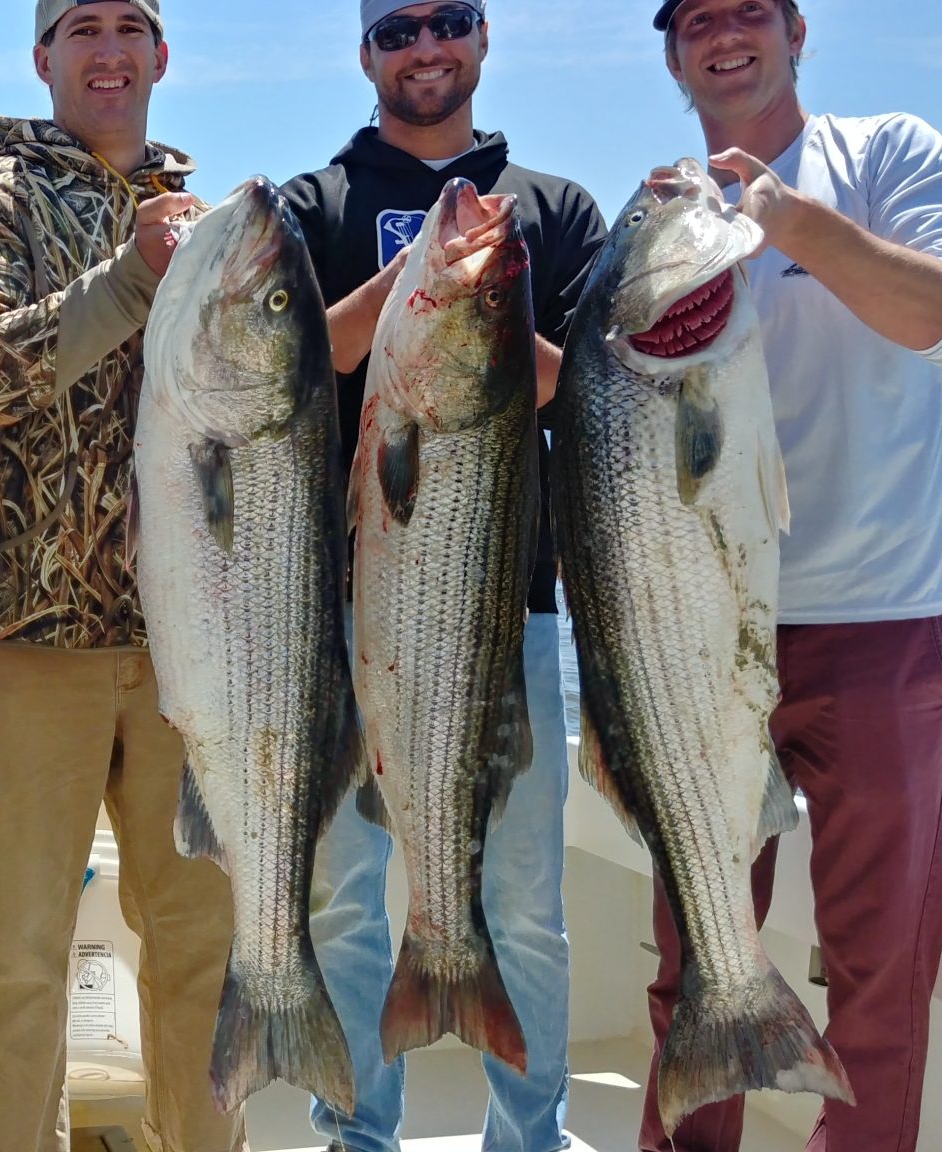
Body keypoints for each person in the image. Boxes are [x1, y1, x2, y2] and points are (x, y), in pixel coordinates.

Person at [639, 3, 942, 1150]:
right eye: (694, 20)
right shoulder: (662, 219)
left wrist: (786, 221)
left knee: (877, 977)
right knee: (694, 965)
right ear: (672, 55)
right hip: (697, 638)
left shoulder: (885, 155)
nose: (722, 34)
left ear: (793, 32)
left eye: (748, 11)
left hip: (879, 624)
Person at [277, 4, 608, 1150]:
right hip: (345, 623)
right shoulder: (309, 207)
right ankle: (355, 1131)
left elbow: (589, 388)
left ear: (480, 41)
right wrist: (421, 281)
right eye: (400, 27)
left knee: (525, 910)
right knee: (341, 903)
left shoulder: (555, 211)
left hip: (498, 618)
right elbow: (286, 364)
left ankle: (532, 1137)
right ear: (367, 54)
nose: (427, 46)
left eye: (450, 22)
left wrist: (485, 296)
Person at [0, 3, 243, 1149]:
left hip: (187, 652)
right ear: (40, 57)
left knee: (204, 945)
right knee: (16, 956)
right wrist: (124, 278)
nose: (106, 49)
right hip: (18, 646)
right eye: (79, 26)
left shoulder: (213, 225)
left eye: (129, 26)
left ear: (161, 56)